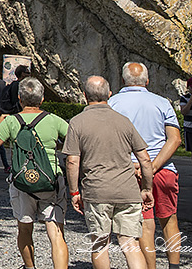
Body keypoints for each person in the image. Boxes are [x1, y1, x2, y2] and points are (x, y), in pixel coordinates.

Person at [63, 75, 155, 269]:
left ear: (84, 95)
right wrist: (147, 188)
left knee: (100, 243)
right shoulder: (124, 122)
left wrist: (74, 192)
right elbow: (145, 160)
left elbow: (72, 161)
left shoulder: (77, 122)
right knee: (130, 243)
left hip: (97, 191)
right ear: (110, 94)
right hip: (128, 191)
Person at [0, 77, 70, 269]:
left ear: (20, 98)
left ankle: (30, 267)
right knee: (56, 234)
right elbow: (75, 141)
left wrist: (2, 119)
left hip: (22, 182)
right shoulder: (53, 120)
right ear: (42, 99)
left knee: (24, 228)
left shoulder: (12, 121)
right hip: (51, 180)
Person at [109, 62, 182, 269]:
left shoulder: (113, 103)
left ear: (123, 81)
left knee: (145, 225)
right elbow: (174, 139)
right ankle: (174, 266)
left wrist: (134, 165)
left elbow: (111, 140)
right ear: (147, 81)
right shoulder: (162, 102)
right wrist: (154, 165)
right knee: (169, 220)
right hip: (163, 169)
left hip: (130, 171)